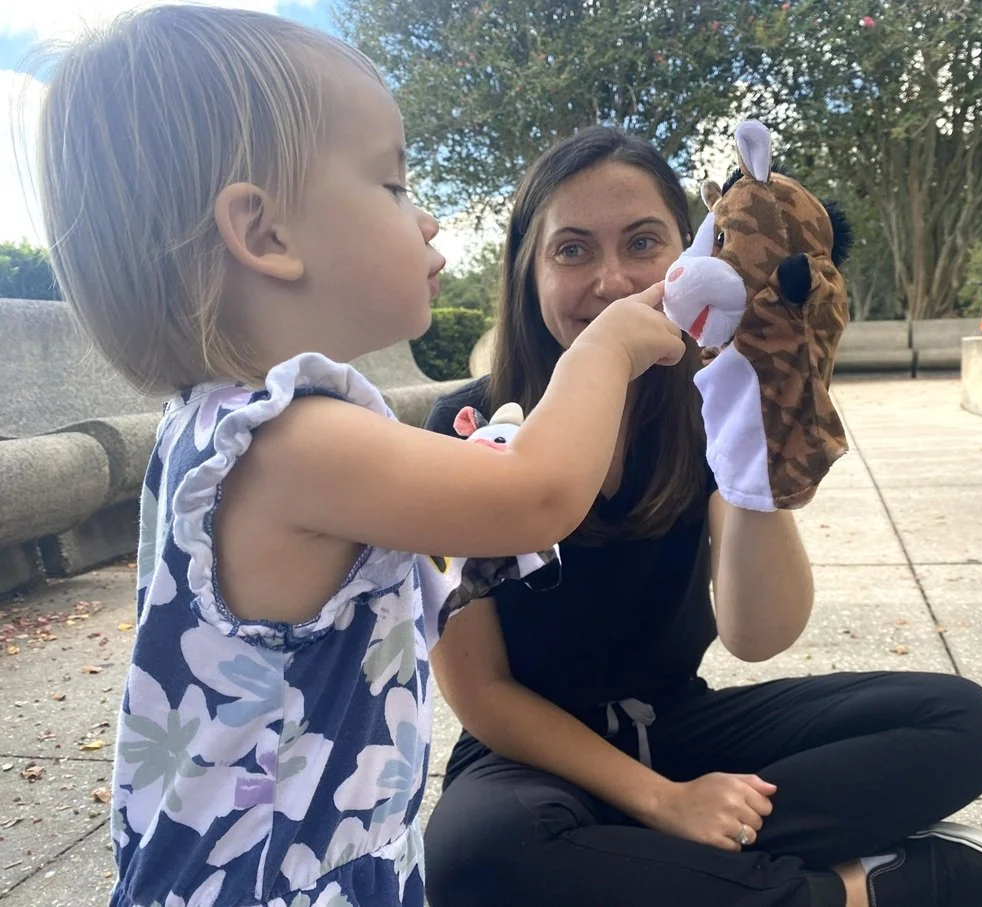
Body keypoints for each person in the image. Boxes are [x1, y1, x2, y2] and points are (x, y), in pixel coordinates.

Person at [35, 9, 688, 907]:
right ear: (264, 235)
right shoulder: (293, 439)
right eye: (389, 182)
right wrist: (606, 347)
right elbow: (536, 497)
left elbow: (458, 509)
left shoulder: (228, 428)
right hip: (274, 882)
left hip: (301, 856)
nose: (422, 217)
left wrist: (494, 448)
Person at [421, 126, 982, 907]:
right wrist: (662, 802)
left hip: (680, 726)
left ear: (692, 256)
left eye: (643, 242)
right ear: (526, 271)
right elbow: (482, 692)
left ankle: (637, 874)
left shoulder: (709, 400)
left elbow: (756, 633)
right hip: (528, 757)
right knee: (478, 857)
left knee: (958, 721)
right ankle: (856, 890)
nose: (610, 281)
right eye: (571, 250)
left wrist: (757, 454)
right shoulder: (465, 427)